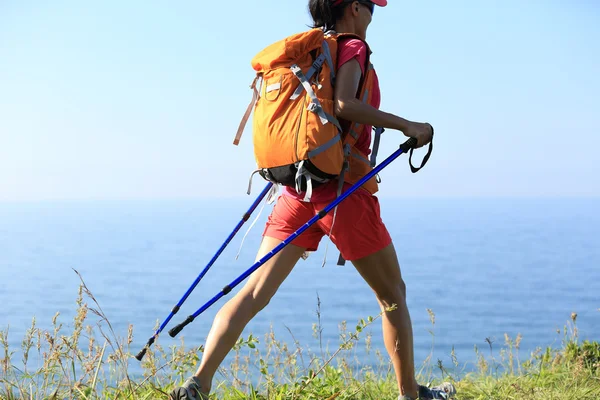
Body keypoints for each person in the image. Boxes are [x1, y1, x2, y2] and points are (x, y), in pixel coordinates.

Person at [170, 1, 456, 399]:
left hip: (295, 191)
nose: (375, 11)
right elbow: (344, 105)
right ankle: (411, 395)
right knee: (393, 295)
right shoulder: (352, 48)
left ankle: (197, 384)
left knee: (252, 293)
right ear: (353, 8)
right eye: (371, 4)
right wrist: (408, 124)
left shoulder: (310, 53)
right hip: (342, 195)